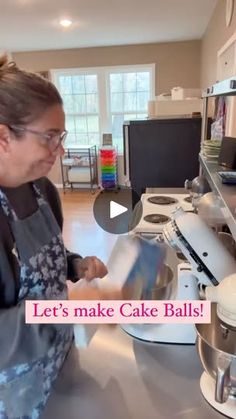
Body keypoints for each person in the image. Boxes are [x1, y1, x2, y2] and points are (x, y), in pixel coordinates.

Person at [0, 55, 121, 418]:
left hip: (60, 357)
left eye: (60, 136)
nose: (61, 151)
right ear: (4, 135)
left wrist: (75, 264)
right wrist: (68, 310)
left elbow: (47, 251)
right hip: (15, 391)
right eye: (49, 138)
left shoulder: (42, 190)